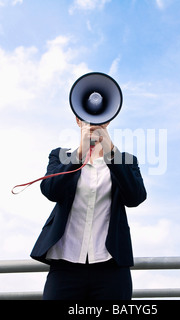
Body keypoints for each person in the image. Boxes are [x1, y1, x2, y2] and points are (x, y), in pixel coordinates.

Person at [30, 117, 147, 300]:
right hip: (64, 264)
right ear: (77, 120)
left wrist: (111, 152)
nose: (94, 121)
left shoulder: (126, 160)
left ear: (109, 121)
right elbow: (50, 190)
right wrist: (79, 154)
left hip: (111, 264)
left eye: (101, 117)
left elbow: (135, 197)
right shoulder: (60, 155)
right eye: (86, 117)